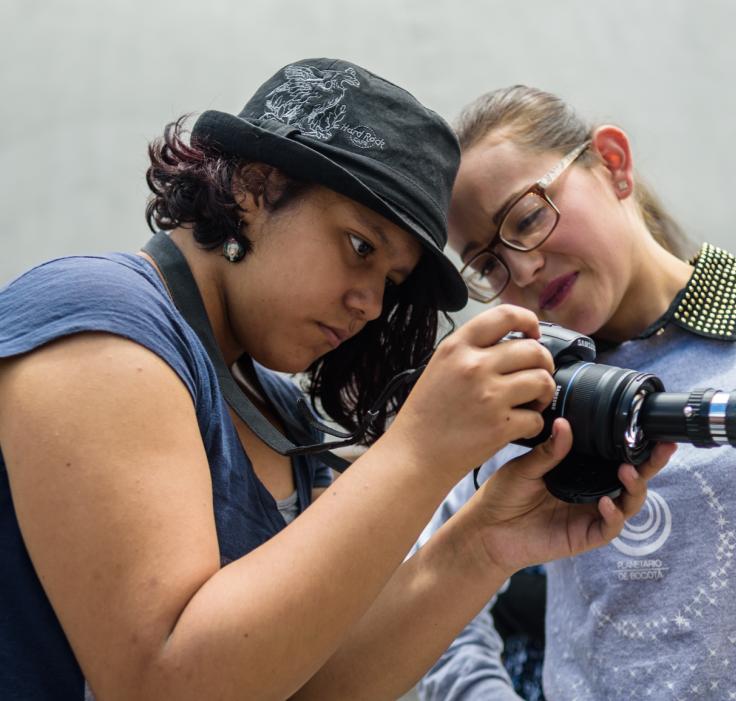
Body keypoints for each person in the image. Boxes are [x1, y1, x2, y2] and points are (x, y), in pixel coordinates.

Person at [0, 60, 675, 700]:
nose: (371, 303)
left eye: (390, 281)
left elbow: (309, 685)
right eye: (359, 246)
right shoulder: (101, 317)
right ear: (255, 187)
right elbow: (162, 684)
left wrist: (484, 544)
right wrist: (419, 449)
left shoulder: (281, 413)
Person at [416, 86, 736, 700]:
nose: (522, 269)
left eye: (527, 219)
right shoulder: (526, 394)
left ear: (612, 164)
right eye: (488, 264)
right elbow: (431, 593)